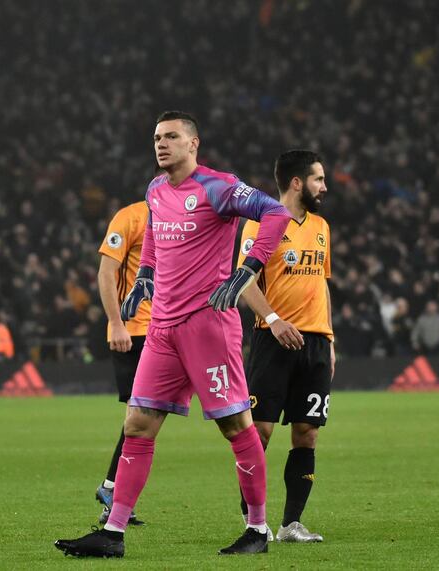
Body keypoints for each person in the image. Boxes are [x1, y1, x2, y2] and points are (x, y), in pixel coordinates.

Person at [55, 110, 291, 558]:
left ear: (193, 144)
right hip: (162, 329)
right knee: (138, 425)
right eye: (157, 137)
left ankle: (257, 531)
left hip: (208, 328)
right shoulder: (155, 189)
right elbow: (156, 240)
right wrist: (145, 275)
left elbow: (275, 212)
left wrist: (249, 268)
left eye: (171, 137)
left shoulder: (218, 186)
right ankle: (114, 533)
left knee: (236, 426)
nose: (161, 144)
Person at [236, 149, 334, 543]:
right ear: (297, 182)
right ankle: (253, 517)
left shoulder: (322, 226)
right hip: (272, 340)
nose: (324, 187)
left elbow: (320, 283)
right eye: (318, 179)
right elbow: (244, 281)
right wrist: (274, 321)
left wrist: (330, 340)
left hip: (315, 342)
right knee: (258, 432)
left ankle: (292, 523)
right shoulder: (261, 225)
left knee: (307, 432)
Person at [92, 199, 151, 526]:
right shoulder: (131, 216)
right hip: (134, 332)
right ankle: (113, 491)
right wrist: (116, 323)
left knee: (146, 416)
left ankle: (113, 495)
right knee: (141, 416)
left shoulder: (185, 220)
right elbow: (107, 271)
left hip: (165, 332)